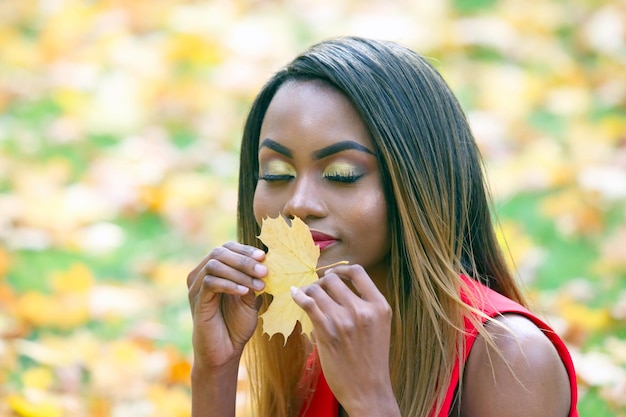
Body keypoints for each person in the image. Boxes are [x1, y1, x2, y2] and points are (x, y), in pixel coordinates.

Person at [186, 36, 579, 417]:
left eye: (341, 174)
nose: (298, 203)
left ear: (419, 184)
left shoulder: (512, 358)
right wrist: (214, 371)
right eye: (276, 173)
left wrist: (369, 400)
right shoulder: (322, 337)